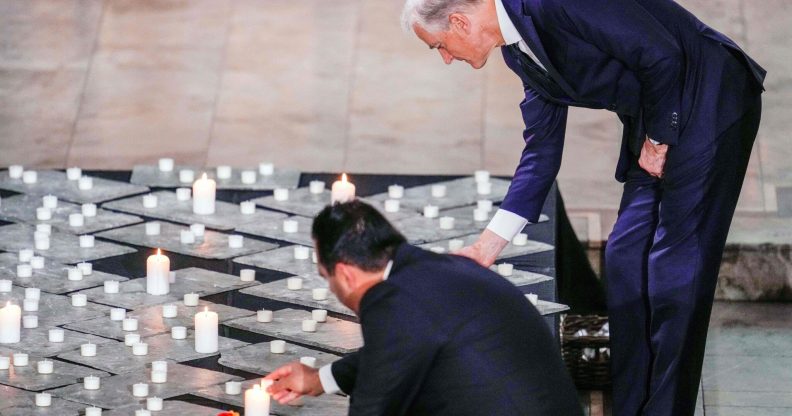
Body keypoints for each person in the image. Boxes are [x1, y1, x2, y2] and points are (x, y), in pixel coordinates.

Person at [399, 0, 766, 414]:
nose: (447, 59)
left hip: (708, 99)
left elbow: (661, 52)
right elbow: (540, 155)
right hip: (656, 122)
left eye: (439, 46)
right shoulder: (520, 53)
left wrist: (658, 139)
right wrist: (485, 249)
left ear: (459, 21)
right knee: (625, 259)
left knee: (674, 275)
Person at [264, 200, 582, 415]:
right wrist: (320, 379)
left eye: (326, 277)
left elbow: (372, 407)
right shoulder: (430, 268)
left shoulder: (390, 303)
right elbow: (391, 352)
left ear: (345, 274)